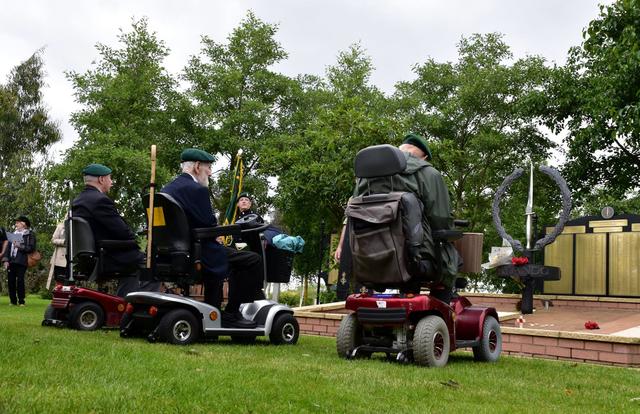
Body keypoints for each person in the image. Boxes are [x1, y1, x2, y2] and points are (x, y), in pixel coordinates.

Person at [335, 133, 459, 302]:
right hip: (414, 257)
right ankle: (444, 312)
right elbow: (441, 218)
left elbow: (352, 215)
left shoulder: (365, 178)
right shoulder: (428, 173)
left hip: (367, 257)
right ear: (424, 156)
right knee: (451, 258)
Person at [162, 148, 264, 328]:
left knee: (231, 255)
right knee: (252, 259)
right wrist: (222, 232)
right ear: (197, 166)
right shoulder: (196, 189)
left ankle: (213, 309)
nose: (210, 173)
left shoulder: (166, 189)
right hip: (199, 251)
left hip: (170, 252)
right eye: (208, 168)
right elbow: (209, 223)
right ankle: (231, 313)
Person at [72, 163, 158, 297]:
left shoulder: (77, 201)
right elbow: (123, 232)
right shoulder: (100, 201)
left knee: (134, 266)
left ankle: (123, 303)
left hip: (89, 256)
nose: (111, 182)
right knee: (150, 263)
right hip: (108, 256)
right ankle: (143, 305)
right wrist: (134, 241)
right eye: (110, 178)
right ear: (101, 179)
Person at [2, 216, 36, 306]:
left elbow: (31, 248)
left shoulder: (30, 234)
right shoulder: (13, 234)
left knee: (20, 281)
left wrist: (19, 246)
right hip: (11, 261)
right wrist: (5, 260)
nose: (15, 224)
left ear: (23, 224)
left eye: (17, 222)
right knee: (10, 281)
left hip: (22, 261)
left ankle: (21, 301)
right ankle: (13, 301)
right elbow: (7, 249)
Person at [47, 221, 67, 288]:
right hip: (60, 259)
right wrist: (63, 241)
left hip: (73, 258)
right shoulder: (60, 226)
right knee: (59, 281)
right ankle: (58, 297)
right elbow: (53, 240)